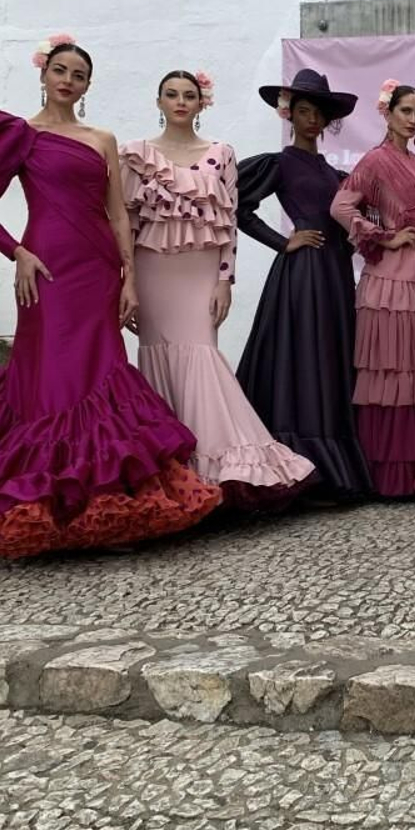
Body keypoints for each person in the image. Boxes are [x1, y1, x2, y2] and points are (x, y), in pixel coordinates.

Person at [0, 36, 222, 557]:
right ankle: (47, 510)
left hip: (99, 272)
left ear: (88, 86)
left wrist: (130, 278)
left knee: (101, 373)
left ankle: (107, 511)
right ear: (44, 75)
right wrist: (17, 252)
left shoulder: (102, 139)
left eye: (79, 75)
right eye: (60, 71)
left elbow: (117, 213)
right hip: (46, 271)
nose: (68, 81)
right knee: (51, 380)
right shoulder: (20, 136)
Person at [121, 70, 316, 509]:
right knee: (158, 360)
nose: (180, 101)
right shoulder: (134, 155)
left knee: (202, 355)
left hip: (201, 271)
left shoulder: (221, 153)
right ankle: (173, 471)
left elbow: (228, 225)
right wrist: (127, 282)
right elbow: (126, 225)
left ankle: (222, 471)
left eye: (189, 95)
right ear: (158, 101)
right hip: (152, 270)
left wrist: (225, 281)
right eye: (171, 94)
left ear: (201, 102)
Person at [235, 69, 372, 498]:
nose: (312, 120)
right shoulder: (280, 163)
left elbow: (355, 220)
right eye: (304, 112)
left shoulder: (337, 174)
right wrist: (282, 242)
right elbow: (237, 206)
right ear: (290, 116)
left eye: (319, 113)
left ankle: (336, 465)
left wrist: (349, 245)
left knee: (332, 356)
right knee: (303, 355)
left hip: (333, 274)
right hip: (303, 275)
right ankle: (298, 462)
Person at [332, 82, 415, 496]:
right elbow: (341, 207)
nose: (413, 118)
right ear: (387, 113)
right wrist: (384, 236)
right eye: (406, 110)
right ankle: (394, 478)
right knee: (397, 369)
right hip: (391, 280)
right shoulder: (375, 160)